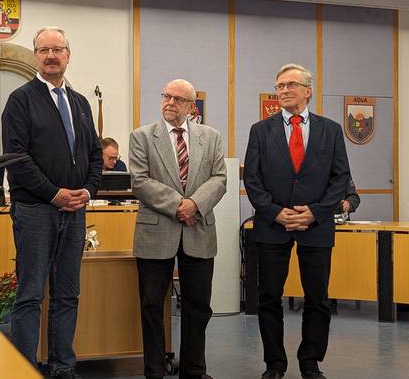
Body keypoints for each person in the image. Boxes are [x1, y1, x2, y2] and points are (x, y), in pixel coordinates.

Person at [2, 26, 102, 378]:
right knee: (30, 296)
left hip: (75, 212)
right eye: (43, 50)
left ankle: (63, 367)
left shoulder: (80, 103)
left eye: (57, 49)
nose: (51, 56)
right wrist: (53, 193)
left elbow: (94, 154)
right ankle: (24, 369)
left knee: (67, 295)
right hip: (35, 211)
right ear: (35, 56)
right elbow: (16, 157)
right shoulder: (20, 100)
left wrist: (87, 191)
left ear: (68, 54)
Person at [243, 64, 351, 379]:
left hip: (315, 227)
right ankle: (274, 364)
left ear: (308, 90)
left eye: (291, 84)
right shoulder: (260, 130)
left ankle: (310, 361)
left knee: (317, 298)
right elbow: (252, 179)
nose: (284, 90)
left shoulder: (330, 130)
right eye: (279, 86)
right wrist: (275, 212)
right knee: (269, 298)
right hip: (271, 226)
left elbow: (340, 177)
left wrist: (315, 212)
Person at [129, 79, 227, 379]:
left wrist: (195, 204)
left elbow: (220, 178)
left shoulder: (210, 137)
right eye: (166, 96)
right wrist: (178, 205)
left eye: (178, 99)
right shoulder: (143, 136)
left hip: (198, 229)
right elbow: (140, 181)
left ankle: (194, 370)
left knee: (198, 306)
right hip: (155, 232)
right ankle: (154, 370)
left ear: (191, 106)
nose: (169, 102)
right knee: (151, 305)